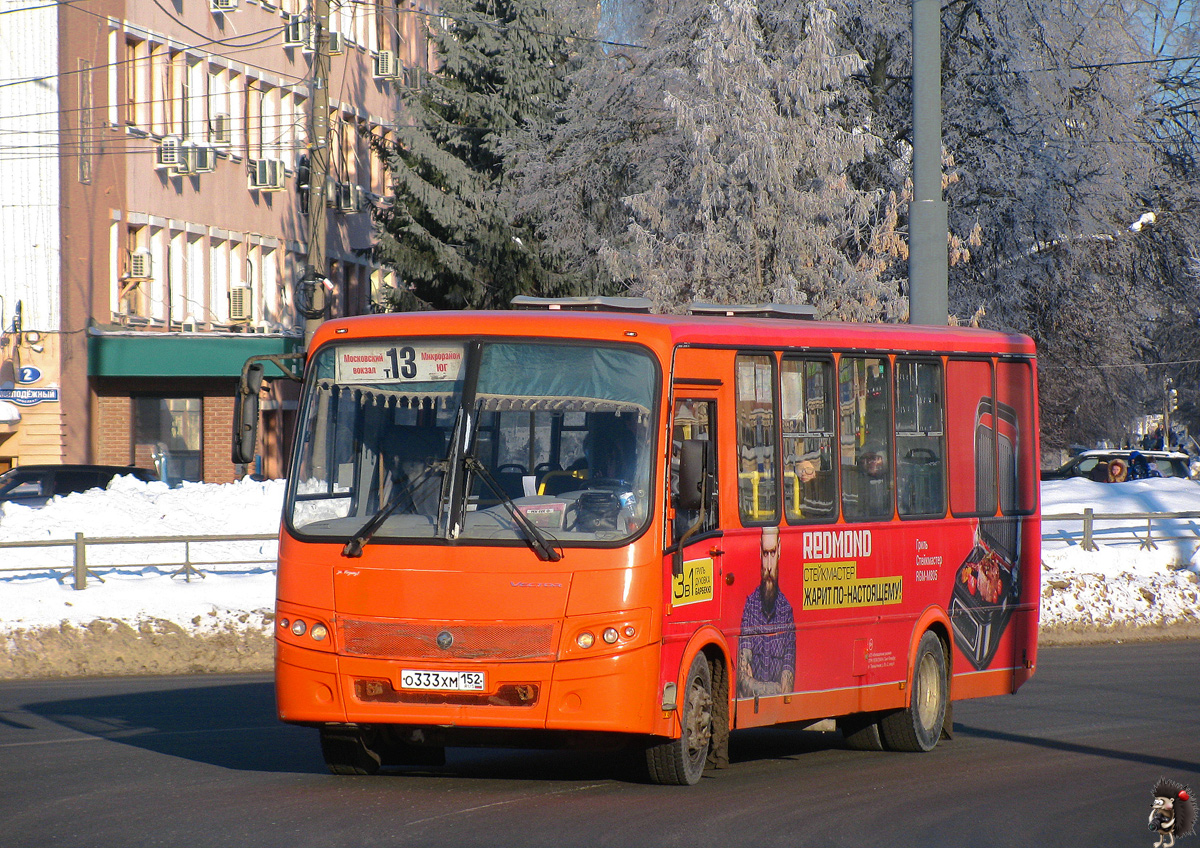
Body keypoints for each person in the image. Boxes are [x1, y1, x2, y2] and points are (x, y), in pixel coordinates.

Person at [737, 525, 796, 698]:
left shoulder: (786, 611)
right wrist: (774, 688)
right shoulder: (750, 606)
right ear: (759, 554)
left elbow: (787, 689)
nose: (769, 566)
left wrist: (756, 686)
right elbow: (742, 679)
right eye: (765, 554)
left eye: (772, 553)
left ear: (779, 551)